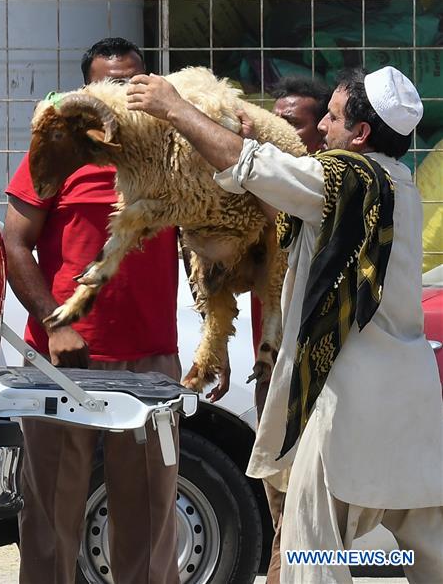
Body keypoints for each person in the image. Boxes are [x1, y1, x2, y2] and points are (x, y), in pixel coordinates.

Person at [127, 66, 443, 582]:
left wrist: (175, 108)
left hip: (345, 407)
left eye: (335, 120)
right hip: (410, 405)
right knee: (428, 552)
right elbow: (278, 191)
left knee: (311, 556)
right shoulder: (396, 185)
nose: (322, 129)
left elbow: (248, 165)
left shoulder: (348, 179)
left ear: (361, 135)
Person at [4, 37, 181, 584]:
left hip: (150, 363)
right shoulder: (55, 151)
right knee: (50, 518)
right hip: (62, 363)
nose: (119, 95)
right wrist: (56, 322)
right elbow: (13, 244)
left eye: (130, 83)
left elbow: (210, 235)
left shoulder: (171, 154)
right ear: (87, 92)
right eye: (106, 83)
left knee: (150, 518)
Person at [240, 74, 331, 584]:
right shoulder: (264, 185)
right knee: (281, 501)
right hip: (271, 367)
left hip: (314, 375)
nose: (277, 132)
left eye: (290, 124)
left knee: (306, 508)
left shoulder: (322, 187)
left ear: (322, 132)